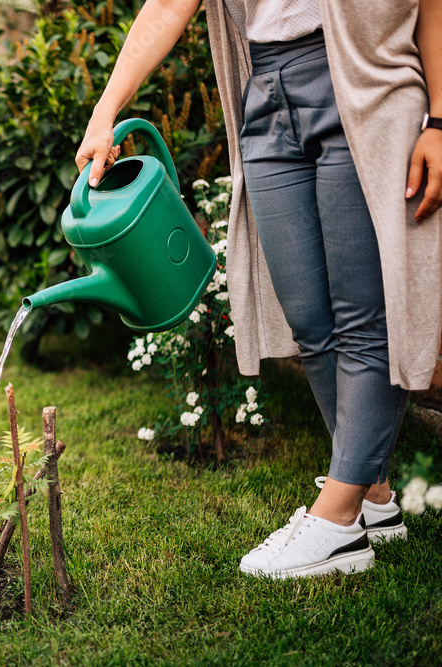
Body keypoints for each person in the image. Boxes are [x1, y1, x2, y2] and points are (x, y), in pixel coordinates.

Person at [76, 0, 442, 578]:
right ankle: (373, 497)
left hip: (364, 80)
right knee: (308, 317)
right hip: (265, 89)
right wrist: (106, 110)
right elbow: (170, 5)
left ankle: (338, 522)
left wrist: (441, 120)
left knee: (363, 316)